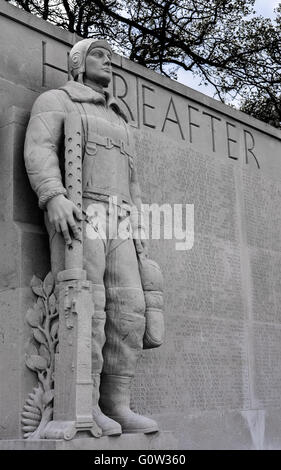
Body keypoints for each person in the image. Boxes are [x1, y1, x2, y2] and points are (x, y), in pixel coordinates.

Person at [24, 38, 158, 436]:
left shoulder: (119, 119)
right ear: (78, 62)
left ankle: (117, 404)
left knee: (130, 311)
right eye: (99, 54)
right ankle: (85, 404)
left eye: (111, 56)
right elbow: (39, 149)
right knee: (90, 307)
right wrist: (53, 197)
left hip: (121, 222)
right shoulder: (57, 101)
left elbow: (133, 183)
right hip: (80, 214)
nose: (109, 62)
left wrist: (140, 231)